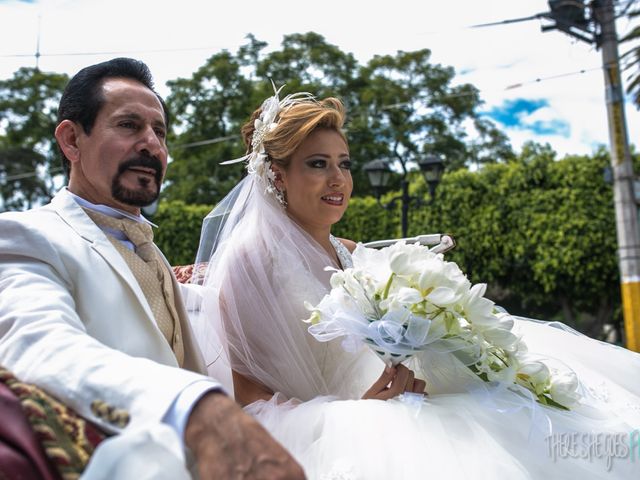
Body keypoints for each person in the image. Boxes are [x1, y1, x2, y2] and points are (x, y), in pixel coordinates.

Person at [194, 89, 640, 479]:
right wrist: (356, 410)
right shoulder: (249, 257)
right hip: (330, 428)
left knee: (523, 413)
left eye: (344, 164)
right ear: (276, 175)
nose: (339, 180)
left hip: (398, 399)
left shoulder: (349, 250)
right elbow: (240, 387)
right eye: (318, 164)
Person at [0, 58, 305, 480]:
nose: (151, 144)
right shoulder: (26, 237)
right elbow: (40, 347)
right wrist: (194, 407)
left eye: (159, 132)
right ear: (71, 140)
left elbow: (221, 305)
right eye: (128, 126)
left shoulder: (154, 255)